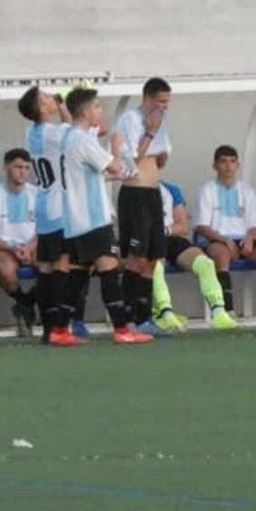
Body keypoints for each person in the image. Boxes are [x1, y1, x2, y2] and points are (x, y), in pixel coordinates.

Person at [60, 87, 153, 345]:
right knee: (109, 270)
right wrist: (118, 149)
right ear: (87, 110)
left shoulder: (69, 138)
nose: (101, 112)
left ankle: (58, 329)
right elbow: (114, 166)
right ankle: (122, 329)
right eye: (98, 107)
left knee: (78, 276)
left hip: (76, 219)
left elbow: (100, 174)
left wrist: (120, 170)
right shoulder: (82, 139)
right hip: (93, 219)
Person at [111, 77, 184, 333]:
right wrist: (150, 131)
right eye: (161, 102)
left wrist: (160, 149)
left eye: (168, 102)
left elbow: (159, 160)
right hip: (135, 196)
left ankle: (144, 317)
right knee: (136, 258)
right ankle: (127, 317)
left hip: (153, 194)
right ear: (148, 98)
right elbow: (130, 159)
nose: (165, 107)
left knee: (154, 259)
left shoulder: (161, 122)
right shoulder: (129, 120)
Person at [19, 85, 82, 347]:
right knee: (62, 266)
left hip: (43, 204)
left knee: (45, 267)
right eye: (45, 97)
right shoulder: (55, 133)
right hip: (58, 205)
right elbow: (77, 134)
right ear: (41, 108)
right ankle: (59, 327)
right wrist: (66, 108)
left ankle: (47, 327)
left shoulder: (31, 132)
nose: (52, 98)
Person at [194, 145, 256, 320]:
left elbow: (254, 226)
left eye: (232, 162)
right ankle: (228, 311)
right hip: (217, 240)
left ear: (238, 165)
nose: (228, 166)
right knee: (221, 256)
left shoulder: (247, 191)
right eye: (223, 162)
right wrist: (225, 240)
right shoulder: (207, 190)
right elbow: (201, 227)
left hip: (242, 239)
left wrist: (249, 239)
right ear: (215, 165)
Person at [147, 180, 239, 330]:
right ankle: (166, 314)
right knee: (155, 266)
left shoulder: (171, 189)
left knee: (206, 264)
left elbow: (183, 226)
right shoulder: (133, 187)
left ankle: (219, 313)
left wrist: (165, 231)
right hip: (148, 241)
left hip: (170, 237)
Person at [0, 148, 41, 338]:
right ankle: (24, 303)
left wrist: (30, 247)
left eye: (26, 168)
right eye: (18, 167)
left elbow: (44, 229)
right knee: (4, 268)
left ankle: (27, 304)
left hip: (33, 246)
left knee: (51, 265)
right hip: (4, 249)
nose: (22, 172)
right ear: (7, 168)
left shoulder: (37, 194)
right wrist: (13, 248)